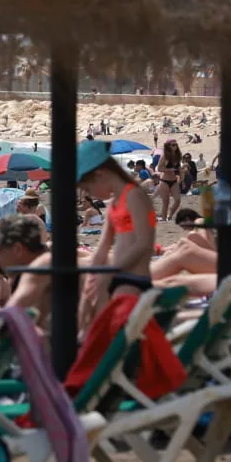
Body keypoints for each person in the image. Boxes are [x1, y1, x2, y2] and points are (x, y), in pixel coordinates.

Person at [78, 141, 157, 331]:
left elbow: (144, 242)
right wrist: (92, 276)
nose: (90, 195)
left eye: (88, 189)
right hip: (116, 274)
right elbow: (103, 246)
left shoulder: (135, 195)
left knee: (109, 328)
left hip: (133, 279)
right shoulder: (115, 202)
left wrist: (110, 272)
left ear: (100, 175)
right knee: (86, 314)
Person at [157, 140, 182, 221]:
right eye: (173, 145)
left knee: (178, 200)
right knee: (166, 202)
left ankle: (170, 215)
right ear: (168, 146)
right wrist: (169, 169)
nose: (175, 146)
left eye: (176, 145)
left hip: (174, 180)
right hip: (164, 181)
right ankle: (164, 219)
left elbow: (179, 168)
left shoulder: (177, 155)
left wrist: (182, 178)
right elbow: (159, 168)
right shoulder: (164, 156)